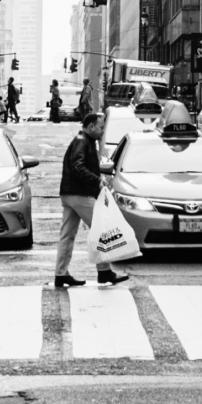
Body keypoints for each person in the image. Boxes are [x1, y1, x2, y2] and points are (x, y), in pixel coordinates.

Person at [55, 112, 129, 287]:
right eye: (101, 127)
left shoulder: (83, 141)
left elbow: (77, 166)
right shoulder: (82, 142)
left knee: (67, 235)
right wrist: (96, 179)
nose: (102, 131)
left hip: (70, 194)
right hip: (80, 194)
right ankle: (104, 272)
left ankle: (60, 274)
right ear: (91, 127)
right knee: (101, 230)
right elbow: (77, 166)